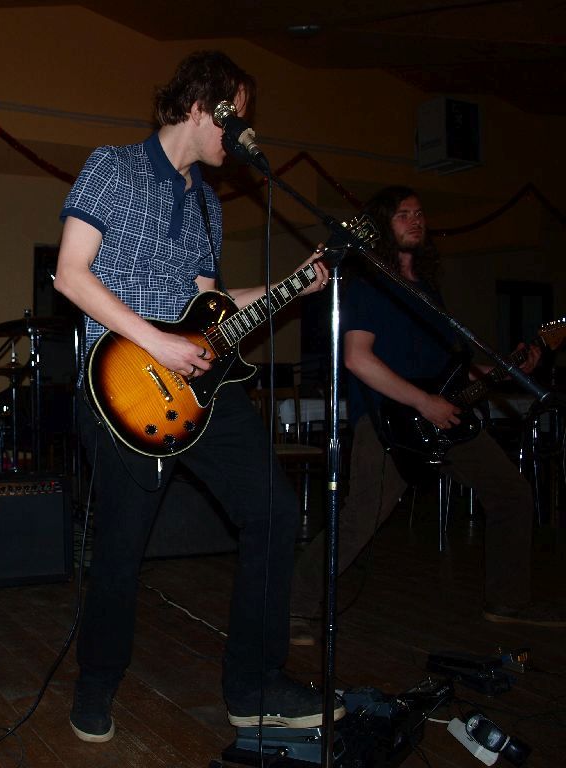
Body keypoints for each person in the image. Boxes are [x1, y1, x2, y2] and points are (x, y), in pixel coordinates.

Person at [53, 49, 339, 743]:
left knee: (274, 510)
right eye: (237, 119)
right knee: (123, 547)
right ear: (201, 106)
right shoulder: (112, 168)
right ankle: (96, 684)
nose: (242, 136)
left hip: (200, 383)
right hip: (122, 385)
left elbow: (209, 306)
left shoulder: (207, 202)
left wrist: (292, 286)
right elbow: (70, 275)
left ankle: (255, 685)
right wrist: (158, 343)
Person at [289, 185, 563, 646]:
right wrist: (422, 401)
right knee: (360, 518)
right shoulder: (370, 286)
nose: (415, 221)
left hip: (443, 416)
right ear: (382, 225)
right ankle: (295, 605)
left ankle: (508, 600)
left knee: (512, 493)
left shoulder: (429, 292)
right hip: (387, 420)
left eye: (419, 214)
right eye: (403, 214)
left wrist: (509, 367)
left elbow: (451, 367)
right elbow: (357, 358)